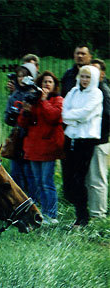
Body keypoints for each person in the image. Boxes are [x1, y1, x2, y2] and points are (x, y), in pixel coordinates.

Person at [17, 71, 64, 224]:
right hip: (33, 148)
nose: (46, 84)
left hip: (48, 148)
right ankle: (43, 213)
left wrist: (44, 100)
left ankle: (52, 214)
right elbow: (23, 124)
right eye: (44, 82)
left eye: (50, 82)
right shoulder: (34, 101)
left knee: (46, 181)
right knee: (37, 183)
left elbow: (54, 116)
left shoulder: (57, 100)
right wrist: (25, 112)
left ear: (54, 85)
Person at [62, 65, 103, 228]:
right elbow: (64, 113)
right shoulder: (73, 92)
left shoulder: (96, 94)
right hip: (70, 138)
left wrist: (73, 116)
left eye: (88, 77)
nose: (85, 80)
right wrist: (74, 118)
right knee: (68, 180)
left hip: (86, 140)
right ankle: (79, 213)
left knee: (79, 179)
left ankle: (82, 218)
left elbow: (85, 114)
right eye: (83, 76)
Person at [4, 62, 39, 197]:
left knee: (30, 173)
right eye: (19, 76)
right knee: (16, 173)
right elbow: (7, 118)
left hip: (31, 138)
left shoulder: (35, 94)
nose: (21, 79)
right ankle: (18, 200)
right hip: (17, 138)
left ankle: (34, 201)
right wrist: (12, 116)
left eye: (25, 76)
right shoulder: (14, 95)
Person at [85, 59, 110, 218]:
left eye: (95, 70)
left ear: (102, 74)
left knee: (98, 178)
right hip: (88, 141)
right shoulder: (91, 90)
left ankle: (99, 214)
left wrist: (96, 134)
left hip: (99, 142)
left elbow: (108, 116)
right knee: (90, 178)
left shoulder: (104, 90)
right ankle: (92, 210)